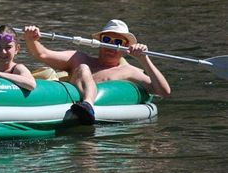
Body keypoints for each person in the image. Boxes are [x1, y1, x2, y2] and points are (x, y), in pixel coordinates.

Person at [24, 19, 171, 125]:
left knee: (83, 68)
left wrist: (144, 59)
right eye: (107, 39)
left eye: (118, 42)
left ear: (126, 47)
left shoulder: (128, 71)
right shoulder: (79, 58)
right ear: (100, 41)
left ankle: (88, 106)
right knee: (83, 68)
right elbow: (42, 54)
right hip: (64, 104)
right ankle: (86, 105)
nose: (112, 45)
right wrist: (31, 39)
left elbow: (164, 91)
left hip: (93, 116)